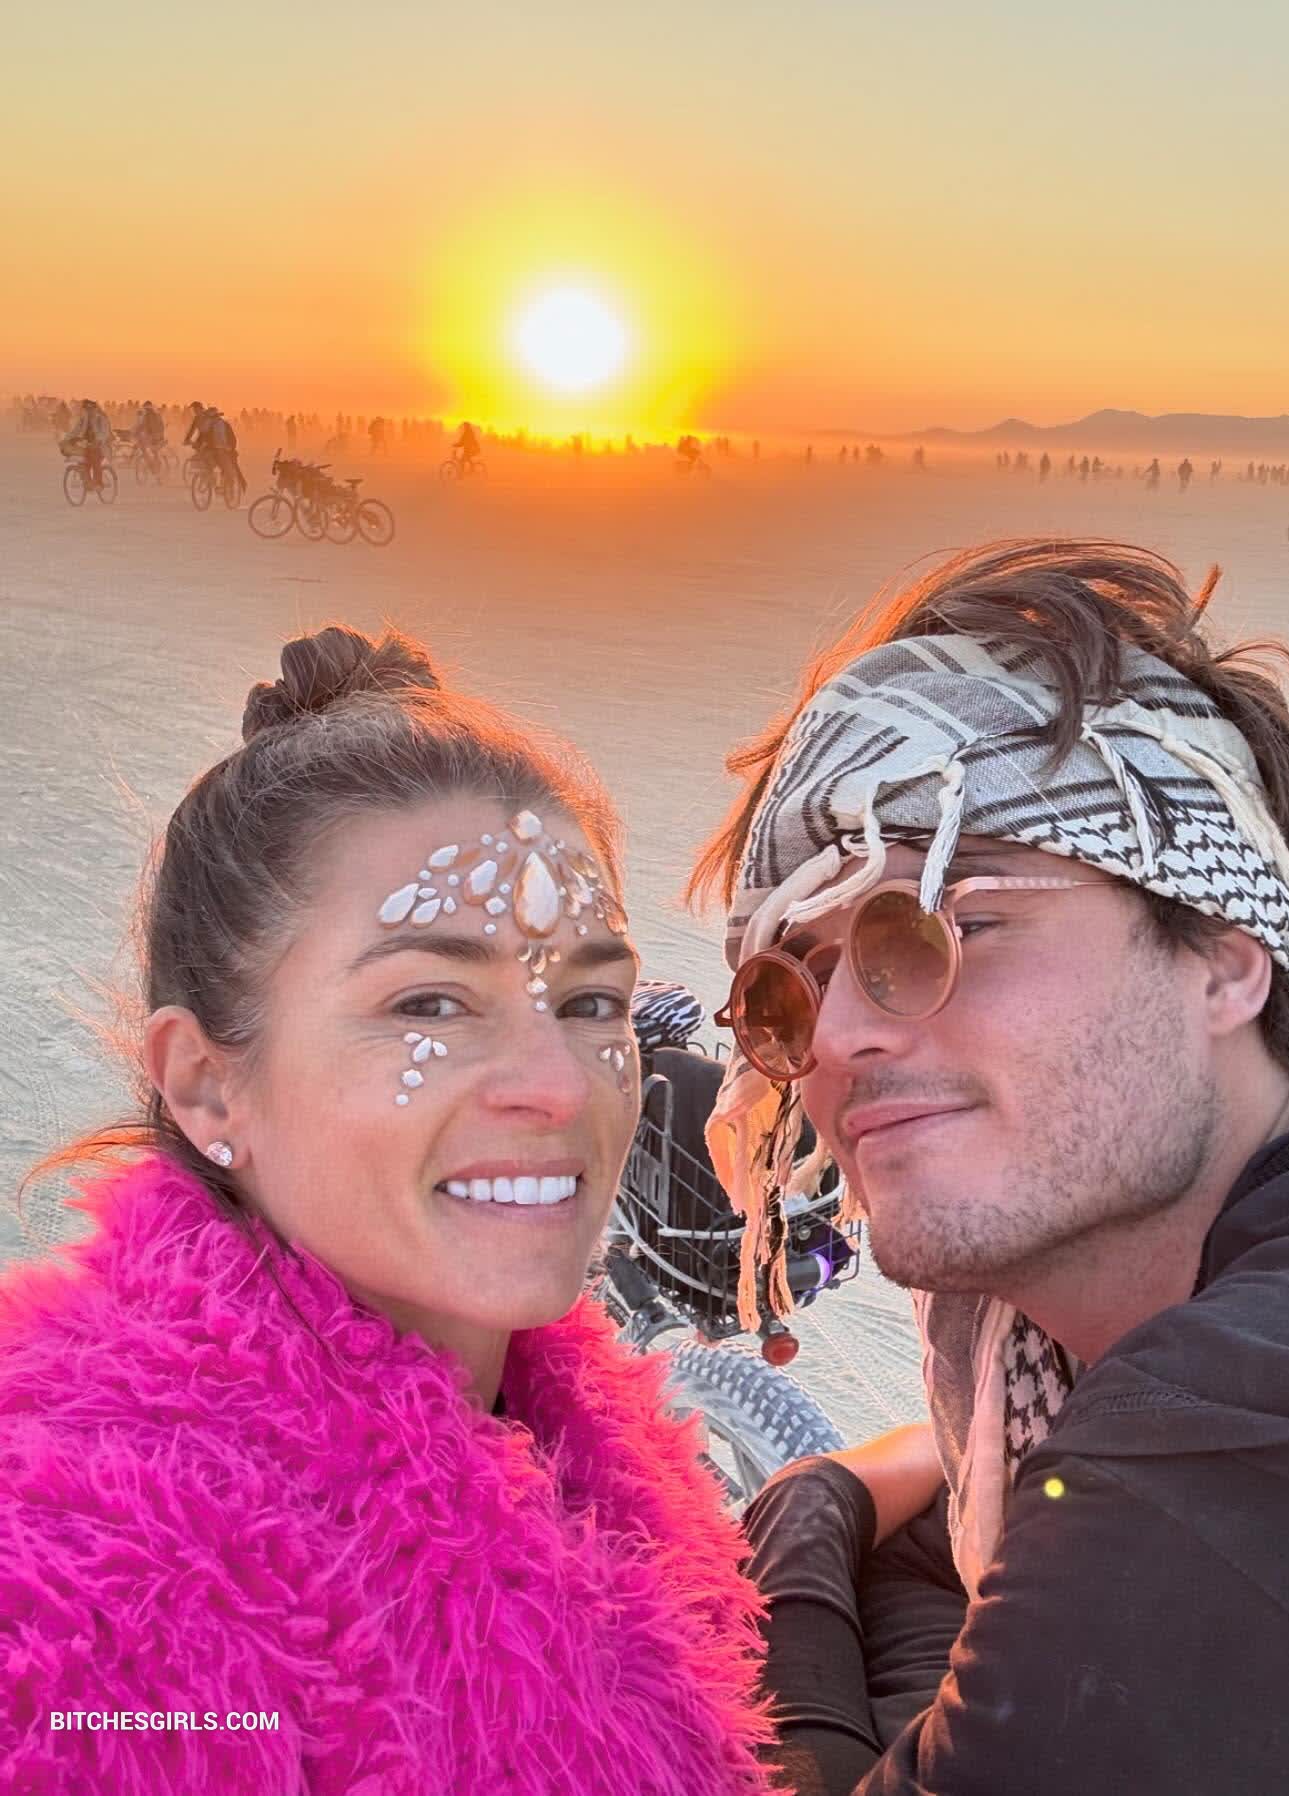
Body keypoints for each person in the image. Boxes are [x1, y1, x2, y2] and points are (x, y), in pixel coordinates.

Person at [689, 539, 1289, 1794]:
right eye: (793, 981)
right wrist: (848, 1491)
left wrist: (801, 1519)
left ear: (1225, 953)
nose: (839, 1034)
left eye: (947, 924)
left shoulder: (1234, 1475)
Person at [0, 626, 776, 1793]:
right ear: (207, 1084)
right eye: (430, 1002)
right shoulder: (97, 1614)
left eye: (590, 1002)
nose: (560, 1087)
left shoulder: (591, 1453)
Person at [58, 397, 112, 489]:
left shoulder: (100, 418)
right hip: (88, 445)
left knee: (94, 460)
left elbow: (105, 432)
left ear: (94, 408)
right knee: (83, 462)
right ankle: (88, 483)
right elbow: (76, 430)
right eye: (86, 409)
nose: (88, 411)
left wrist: (98, 441)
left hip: (102, 446)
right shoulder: (84, 419)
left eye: (90, 409)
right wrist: (66, 439)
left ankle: (98, 483)